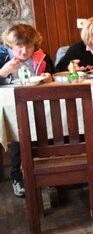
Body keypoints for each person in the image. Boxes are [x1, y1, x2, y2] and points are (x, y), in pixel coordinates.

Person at [0, 24, 55, 197]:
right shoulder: (2, 57)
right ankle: (17, 176)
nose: (24, 51)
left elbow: (52, 75)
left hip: (39, 104)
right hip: (12, 106)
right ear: (10, 45)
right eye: (19, 46)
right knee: (20, 133)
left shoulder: (42, 58)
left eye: (29, 46)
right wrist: (3, 72)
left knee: (48, 129)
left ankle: (48, 176)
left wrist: (48, 77)